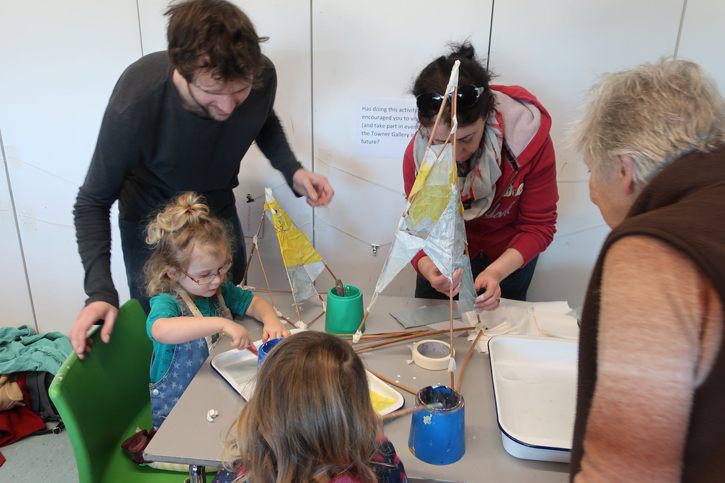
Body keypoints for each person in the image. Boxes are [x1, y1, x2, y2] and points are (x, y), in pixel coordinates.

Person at [70, 0, 332, 359]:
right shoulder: (136, 104)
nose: (227, 109)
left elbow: (260, 118)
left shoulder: (259, 76)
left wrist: (293, 169)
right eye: (212, 94)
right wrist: (99, 292)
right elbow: (92, 203)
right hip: (155, 228)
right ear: (181, 70)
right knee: (172, 341)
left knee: (230, 319)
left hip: (215, 211)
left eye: (238, 92)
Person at [570, 59, 725, 482]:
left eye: (589, 170)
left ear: (625, 169)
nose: (591, 189)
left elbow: (624, 472)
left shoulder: (653, 249)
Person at [404, 42, 558, 311]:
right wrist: (429, 269)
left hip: (508, 259)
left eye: (466, 139)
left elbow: (538, 226)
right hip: (443, 260)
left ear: (487, 116)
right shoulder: (418, 155)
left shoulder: (529, 143)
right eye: (441, 142)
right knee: (433, 339)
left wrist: (497, 272)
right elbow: (416, 228)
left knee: (494, 340)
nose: (455, 154)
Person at [144, 192, 289, 429]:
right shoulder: (166, 302)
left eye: (221, 268)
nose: (216, 279)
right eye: (205, 274)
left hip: (217, 392)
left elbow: (255, 303)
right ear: (174, 273)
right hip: (178, 414)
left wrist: (271, 320)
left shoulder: (220, 290)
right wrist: (222, 324)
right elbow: (161, 330)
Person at [213, 331, 407, 483]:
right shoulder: (380, 469)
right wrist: (380, 441)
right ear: (358, 412)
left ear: (264, 407)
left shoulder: (240, 476)